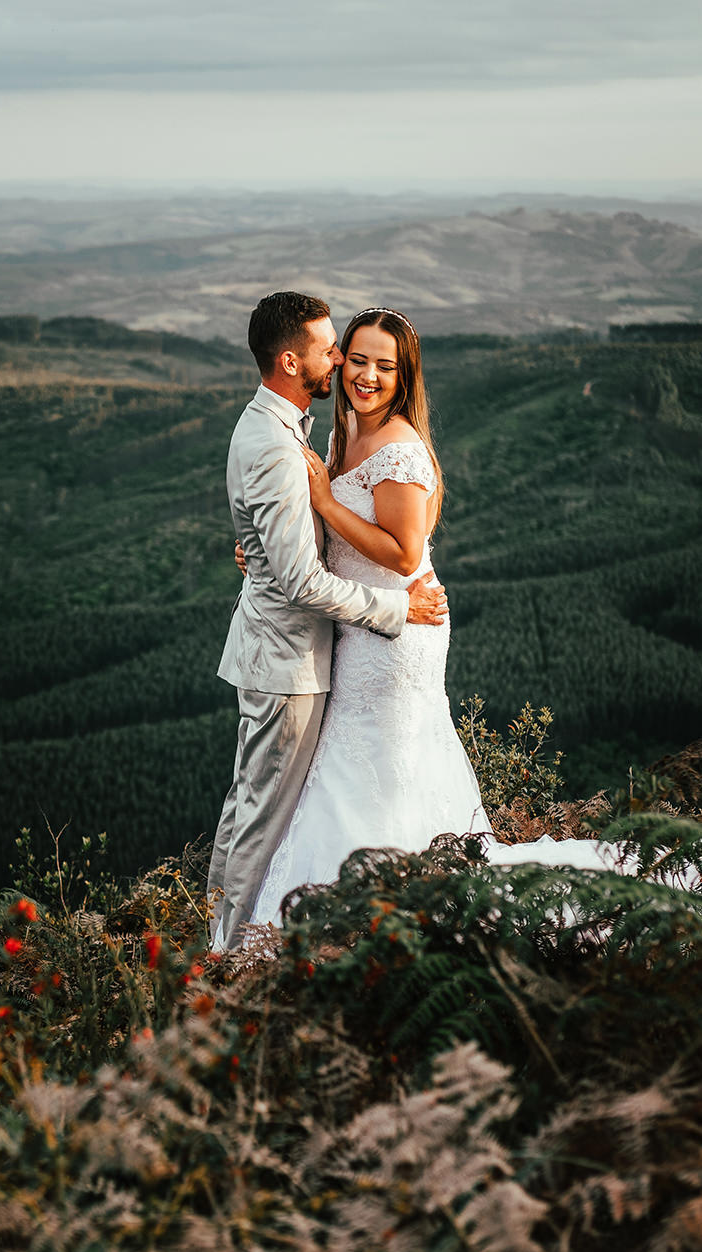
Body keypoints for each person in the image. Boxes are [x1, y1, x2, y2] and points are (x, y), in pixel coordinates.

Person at [244, 305, 652, 937]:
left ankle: (391, 908)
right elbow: (327, 539)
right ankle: (366, 900)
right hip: (358, 625)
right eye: (357, 360)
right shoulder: (345, 431)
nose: (367, 376)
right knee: (350, 761)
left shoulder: (401, 448)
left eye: (385, 366)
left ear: (405, 375)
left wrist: (323, 500)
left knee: (381, 763)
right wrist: (271, 545)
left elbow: (405, 552)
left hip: (399, 631)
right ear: (340, 360)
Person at [207, 293, 449, 953]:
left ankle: (227, 937)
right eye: (333, 350)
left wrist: (269, 547)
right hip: (294, 653)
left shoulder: (281, 424)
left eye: (377, 363)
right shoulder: (285, 440)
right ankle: (228, 950)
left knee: (266, 801)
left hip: (333, 647)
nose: (343, 362)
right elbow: (303, 579)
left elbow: (386, 543)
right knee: (261, 812)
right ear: (292, 361)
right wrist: (397, 607)